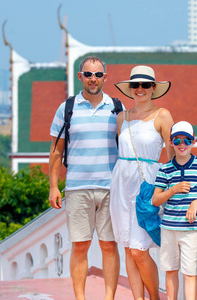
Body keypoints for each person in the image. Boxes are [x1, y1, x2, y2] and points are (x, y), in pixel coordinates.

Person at [48, 56, 121, 300]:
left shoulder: (117, 107)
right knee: (80, 245)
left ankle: (109, 297)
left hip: (111, 188)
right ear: (80, 76)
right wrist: (53, 187)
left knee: (109, 245)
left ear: (105, 78)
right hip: (77, 188)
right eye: (88, 74)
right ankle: (80, 298)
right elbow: (57, 151)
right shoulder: (66, 108)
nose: (93, 79)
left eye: (98, 75)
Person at [110, 65, 174, 300]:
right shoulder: (121, 118)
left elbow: (173, 154)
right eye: (135, 85)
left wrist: (175, 187)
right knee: (128, 247)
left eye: (145, 85)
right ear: (130, 88)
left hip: (146, 186)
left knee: (139, 249)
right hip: (121, 186)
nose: (140, 89)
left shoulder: (162, 115)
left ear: (153, 88)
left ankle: (155, 297)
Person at [152, 121, 197, 300]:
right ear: (171, 142)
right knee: (171, 271)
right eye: (177, 140)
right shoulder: (165, 168)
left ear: (193, 142)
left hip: (190, 229)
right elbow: (155, 200)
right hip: (169, 228)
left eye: (187, 140)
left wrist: (196, 203)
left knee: (189, 273)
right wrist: (173, 189)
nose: (182, 144)